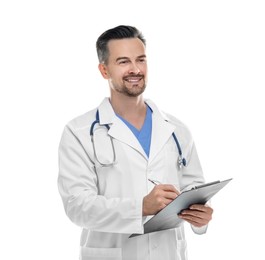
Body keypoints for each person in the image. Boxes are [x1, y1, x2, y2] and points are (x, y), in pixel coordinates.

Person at [58, 25, 213, 260]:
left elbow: (195, 189)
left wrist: (200, 218)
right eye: (123, 62)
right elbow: (77, 206)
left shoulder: (177, 130)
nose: (135, 69)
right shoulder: (79, 132)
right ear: (104, 70)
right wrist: (140, 207)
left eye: (141, 60)